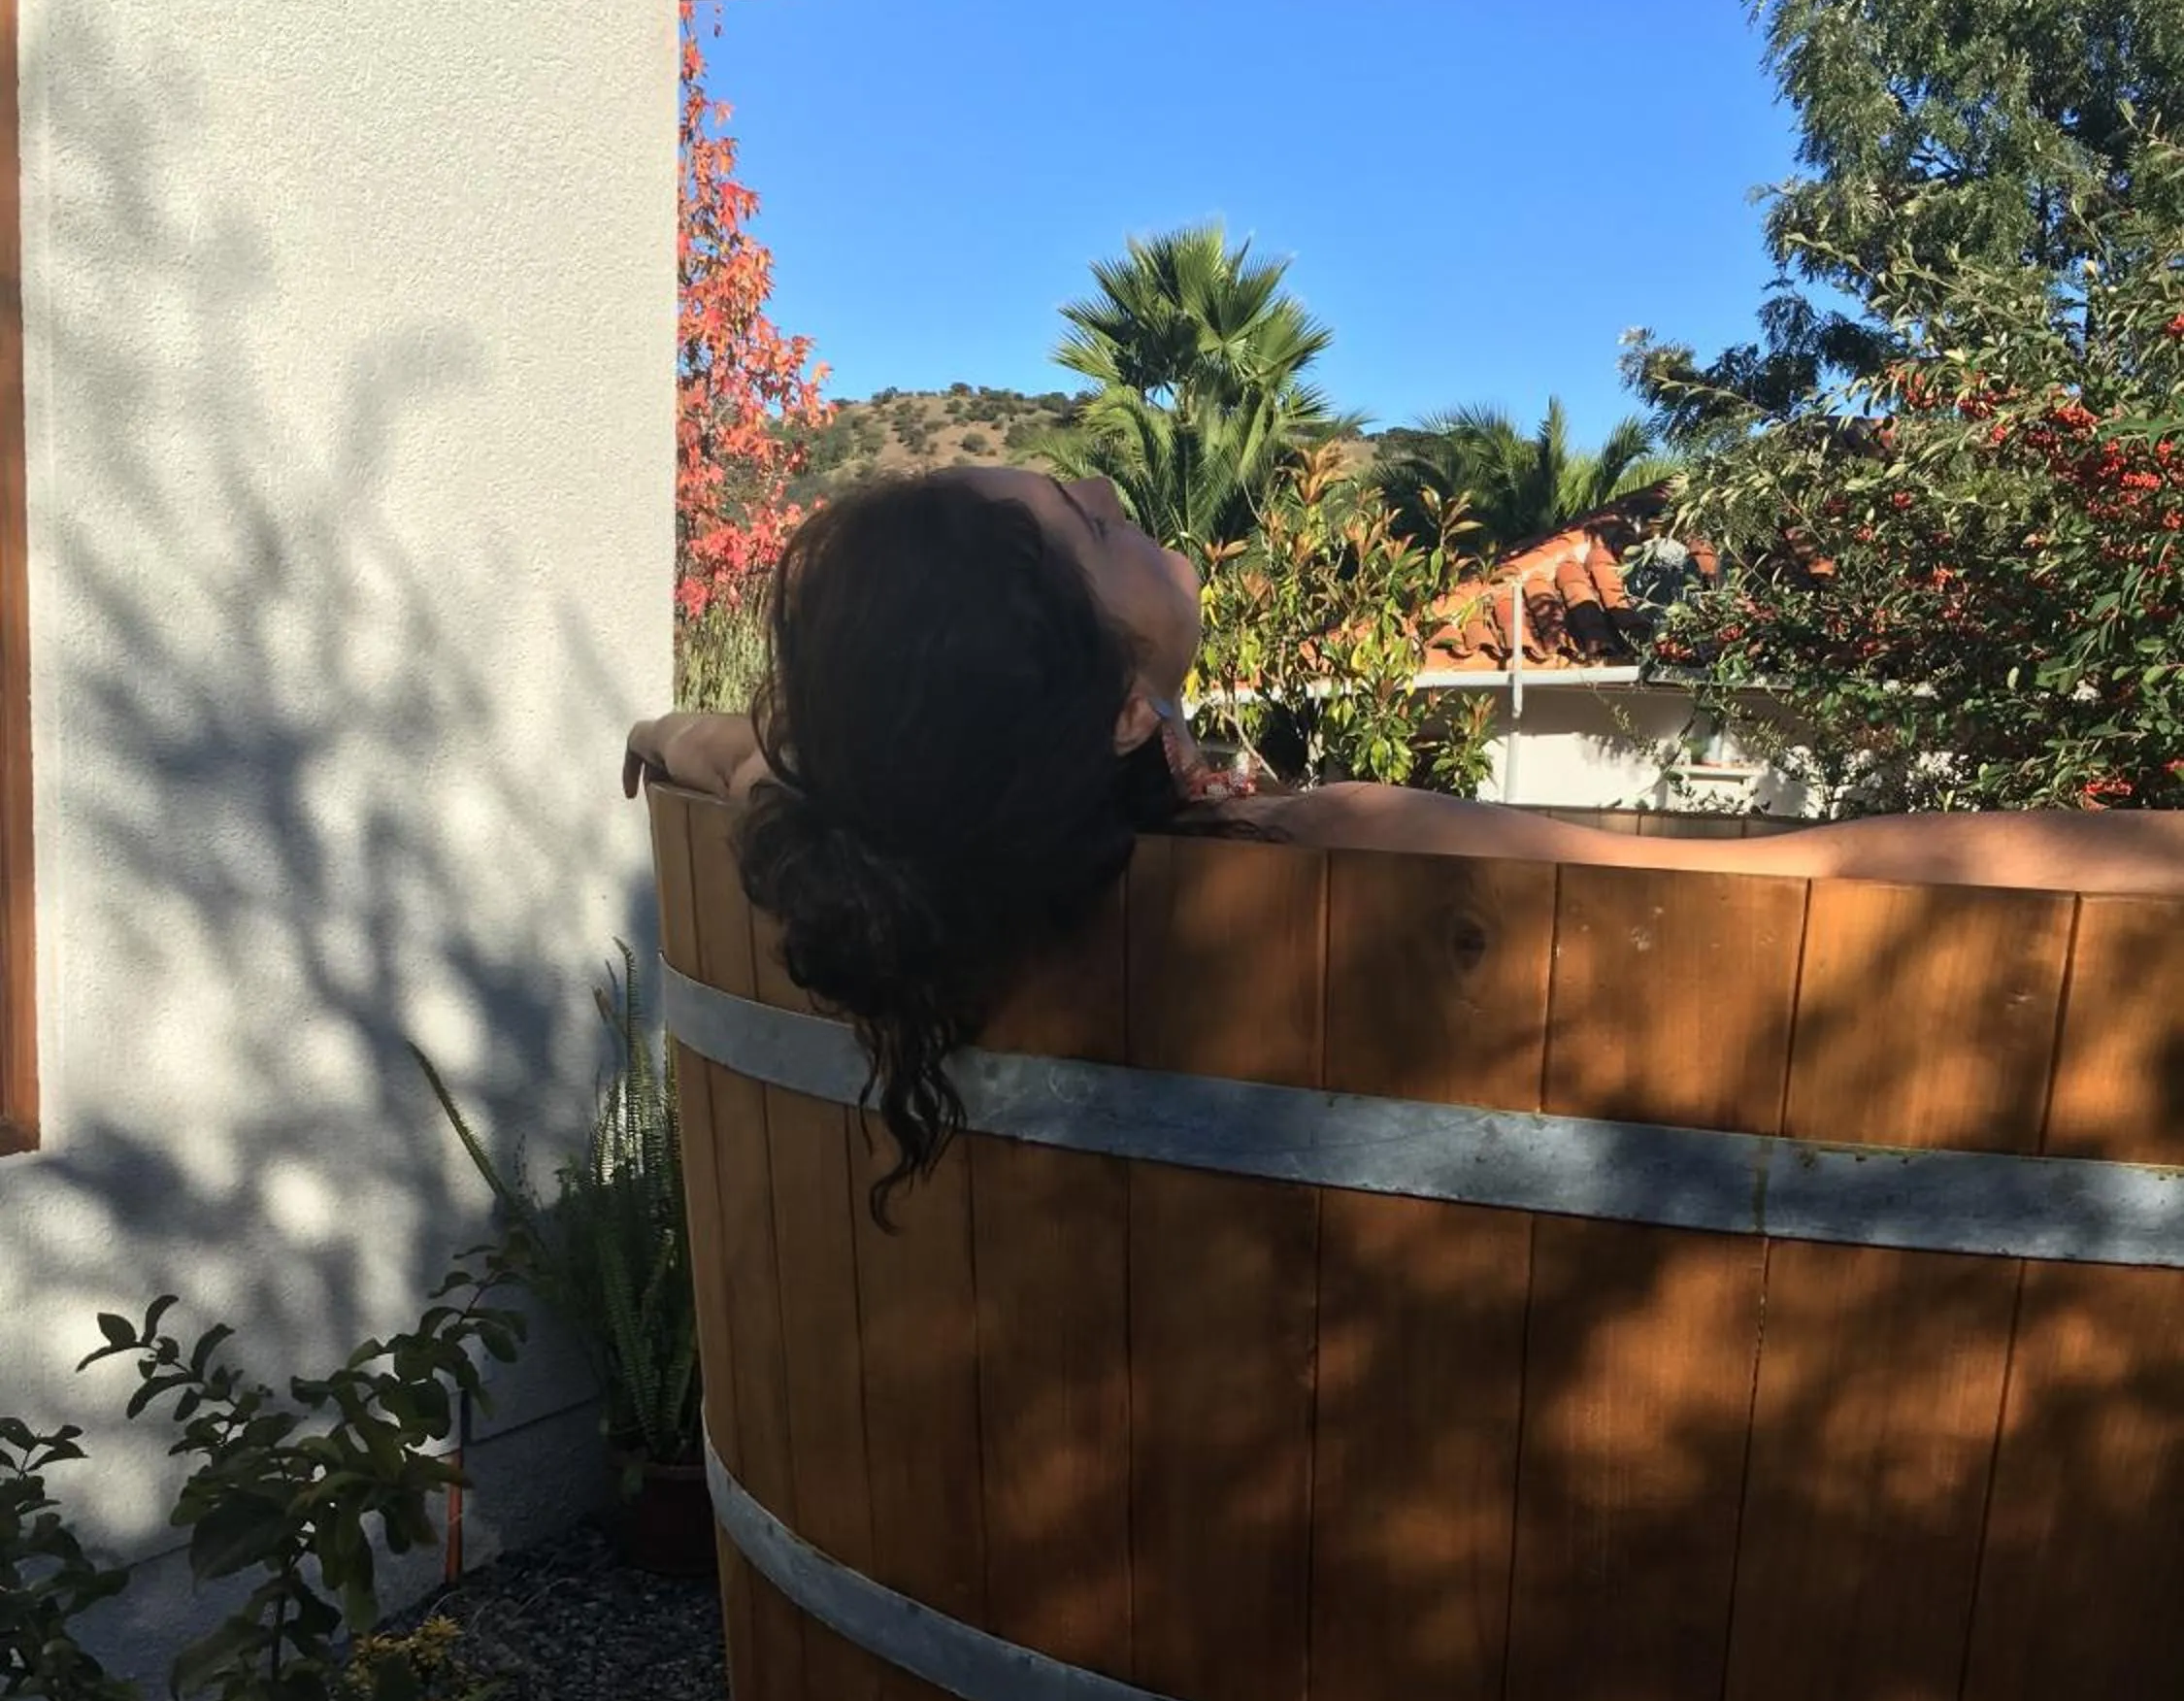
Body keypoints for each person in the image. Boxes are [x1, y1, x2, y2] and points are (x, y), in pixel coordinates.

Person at [626, 467, 2184, 1201]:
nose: (1107, 483)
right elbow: (1823, 877)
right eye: (1092, 521)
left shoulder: (902, 841)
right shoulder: (1312, 845)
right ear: (1107, 710)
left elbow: (748, 763)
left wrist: (674, 740)